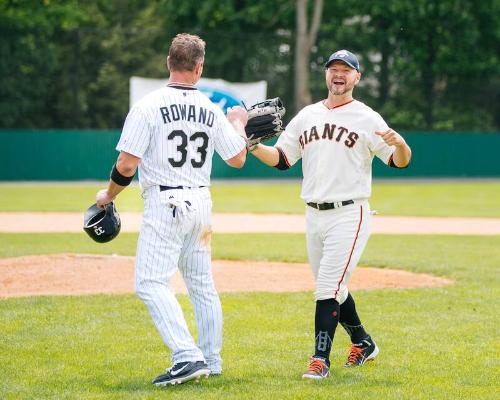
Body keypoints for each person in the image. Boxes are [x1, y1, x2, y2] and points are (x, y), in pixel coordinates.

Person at [95, 33, 248, 386]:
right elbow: (238, 157)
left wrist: (110, 195)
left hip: (166, 203)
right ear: (199, 67)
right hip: (202, 204)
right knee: (202, 285)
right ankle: (211, 358)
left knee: (150, 283)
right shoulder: (210, 109)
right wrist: (238, 123)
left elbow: (127, 164)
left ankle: (187, 356)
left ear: (169, 63)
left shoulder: (148, 106)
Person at [249, 49, 412, 379]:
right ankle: (363, 342)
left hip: (350, 213)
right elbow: (282, 159)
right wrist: (254, 148)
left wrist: (401, 144)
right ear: (326, 75)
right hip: (314, 214)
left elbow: (398, 161)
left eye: (346, 70)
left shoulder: (367, 117)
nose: (338, 74)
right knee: (334, 287)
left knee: (326, 286)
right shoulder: (307, 115)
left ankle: (320, 360)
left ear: (357, 78)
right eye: (333, 69)